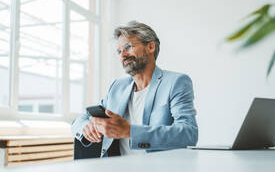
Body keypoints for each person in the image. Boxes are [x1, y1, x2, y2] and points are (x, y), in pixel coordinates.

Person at [71, 21, 198, 158]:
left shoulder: (176, 82)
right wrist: (85, 127)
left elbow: (188, 133)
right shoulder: (117, 87)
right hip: (115, 171)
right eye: (119, 51)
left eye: (128, 47)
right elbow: (80, 120)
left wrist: (130, 131)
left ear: (150, 47)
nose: (123, 55)